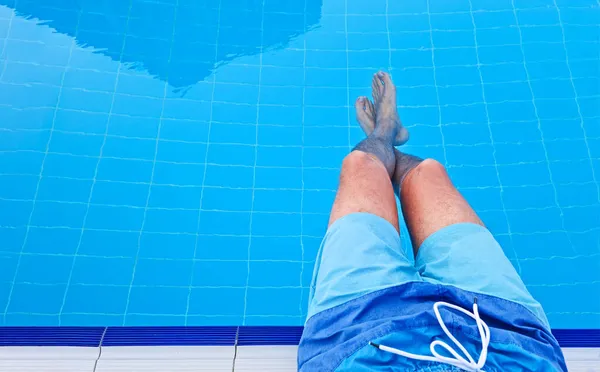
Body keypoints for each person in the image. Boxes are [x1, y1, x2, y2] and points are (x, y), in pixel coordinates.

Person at [298, 72, 567, 371]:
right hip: (505, 338)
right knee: (428, 173)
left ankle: (384, 135)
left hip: (359, 337)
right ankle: (387, 136)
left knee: (360, 165)